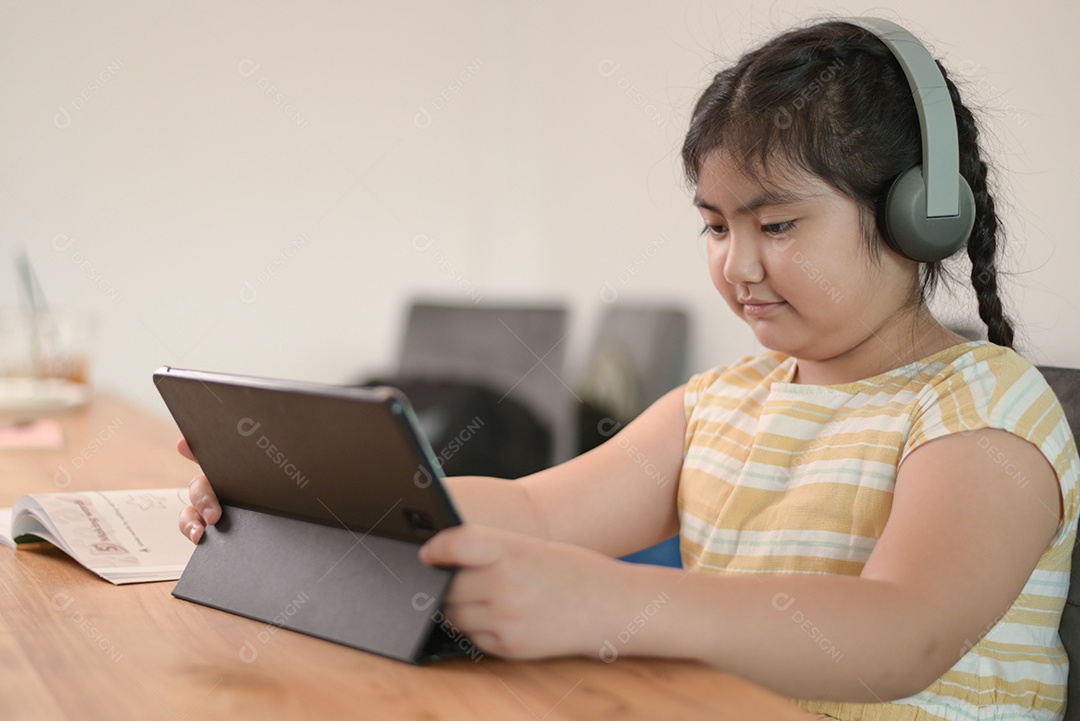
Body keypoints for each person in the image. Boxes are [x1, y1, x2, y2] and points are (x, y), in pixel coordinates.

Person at [177, 17, 1079, 720]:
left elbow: (901, 632)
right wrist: (310, 495)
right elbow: (536, 508)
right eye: (716, 226)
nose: (739, 265)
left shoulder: (985, 412)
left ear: (919, 214)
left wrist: (615, 603)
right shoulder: (721, 404)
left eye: (776, 225)